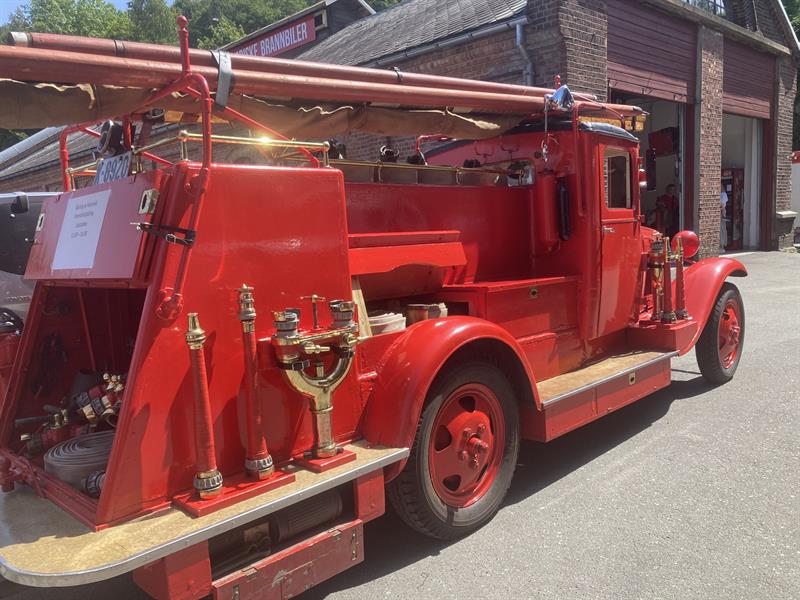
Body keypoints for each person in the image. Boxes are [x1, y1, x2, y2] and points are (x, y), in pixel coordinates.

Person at [720, 187, 729, 253]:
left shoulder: (723, 194)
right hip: (720, 213)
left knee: (721, 230)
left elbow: (722, 205)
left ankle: (722, 246)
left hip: (721, 214)